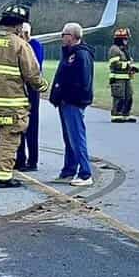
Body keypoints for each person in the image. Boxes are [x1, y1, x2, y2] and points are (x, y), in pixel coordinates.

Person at [0, 6, 45, 187]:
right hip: (12, 106)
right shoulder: (20, 45)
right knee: (8, 140)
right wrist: (42, 86)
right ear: (19, 26)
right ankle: (2, 178)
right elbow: (32, 75)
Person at [49, 22, 95, 186]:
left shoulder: (80, 55)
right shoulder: (69, 53)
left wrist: (66, 93)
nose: (62, 37)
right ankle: (69, 170)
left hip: (73, 102)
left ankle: (85, 173)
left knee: (77, 137)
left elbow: (82, 81)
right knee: (69, 138)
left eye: (64, 34)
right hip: (65, 101)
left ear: (73, 36)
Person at [15, 19, 46, 170]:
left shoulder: (35, 45)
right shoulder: (19, 46)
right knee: (18, 124)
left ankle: (32, 161)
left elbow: (35, 68)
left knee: (31, 126)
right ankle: (20, 159)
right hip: (19, 89)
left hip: (31, 89)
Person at [107, 28, 139, 122]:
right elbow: (114, 64)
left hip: (126, 78)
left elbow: (127, 62)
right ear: (119, 39)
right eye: (124, 39)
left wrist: (132, 68)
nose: (126, 41)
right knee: (119, 97)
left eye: (127, 39)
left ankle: (125, 115)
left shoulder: (124, 50)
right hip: (118, 79)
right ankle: (116, 116)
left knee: (129, 97)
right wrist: (128, 65)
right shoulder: (114, 49)